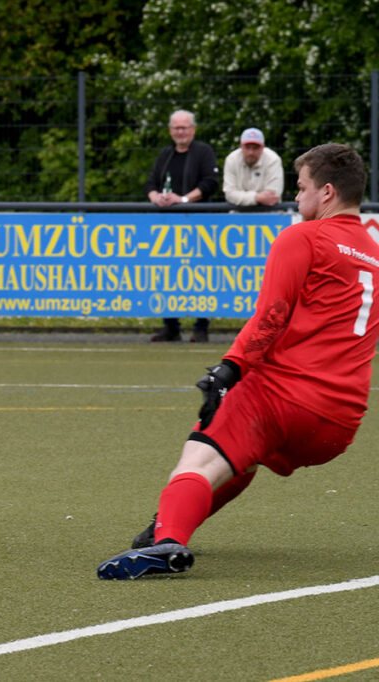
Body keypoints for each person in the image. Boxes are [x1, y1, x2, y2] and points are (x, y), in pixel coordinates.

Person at [98, 143, 378, 579]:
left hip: (286, 398)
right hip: (340, 424)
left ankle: (167, 538)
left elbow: (270, 317)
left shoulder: (303, 236)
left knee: (199, 455)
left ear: (326, 193)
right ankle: (168, 526)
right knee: (240, 457)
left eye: (301, 188)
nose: (295, 197)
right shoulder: (374, 252)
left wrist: (227, 370)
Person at [144, 109, 220, 343]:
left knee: (201, 274)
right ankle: (171, 325)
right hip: (168, 227)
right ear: (170, 131)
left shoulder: (204, 152)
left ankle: (201, 326)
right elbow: (150, 182)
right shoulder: (165, 154)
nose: (180, 132)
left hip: (198, 224)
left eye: (184, 127)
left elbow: (210, 182)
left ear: (193, 129)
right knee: (167, 273)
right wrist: (155, 196)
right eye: (176, 128)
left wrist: (184, 199)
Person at [223, 127, 284, 207]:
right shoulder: (231, 159)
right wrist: (257, 198)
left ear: (262, 148)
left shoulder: (273, 159)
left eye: (255, 148)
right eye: (247, 147)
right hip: (239, 215)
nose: (251, 152)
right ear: (241, 146)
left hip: (269, 214)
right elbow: (229, 194)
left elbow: (273, 195)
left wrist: (241, 197)